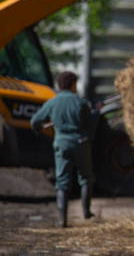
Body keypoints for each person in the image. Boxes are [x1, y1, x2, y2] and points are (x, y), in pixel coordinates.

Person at [30, 71, 95, 227]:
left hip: (62, 144)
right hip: (80, 143)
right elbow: (89, 123)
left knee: (62, 182)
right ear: (73, 84)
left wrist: (40, 131)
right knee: (86, 178)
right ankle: (86, 212)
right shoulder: (81, 102)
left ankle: (62, 220)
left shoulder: (52, 102)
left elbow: (35, 121)